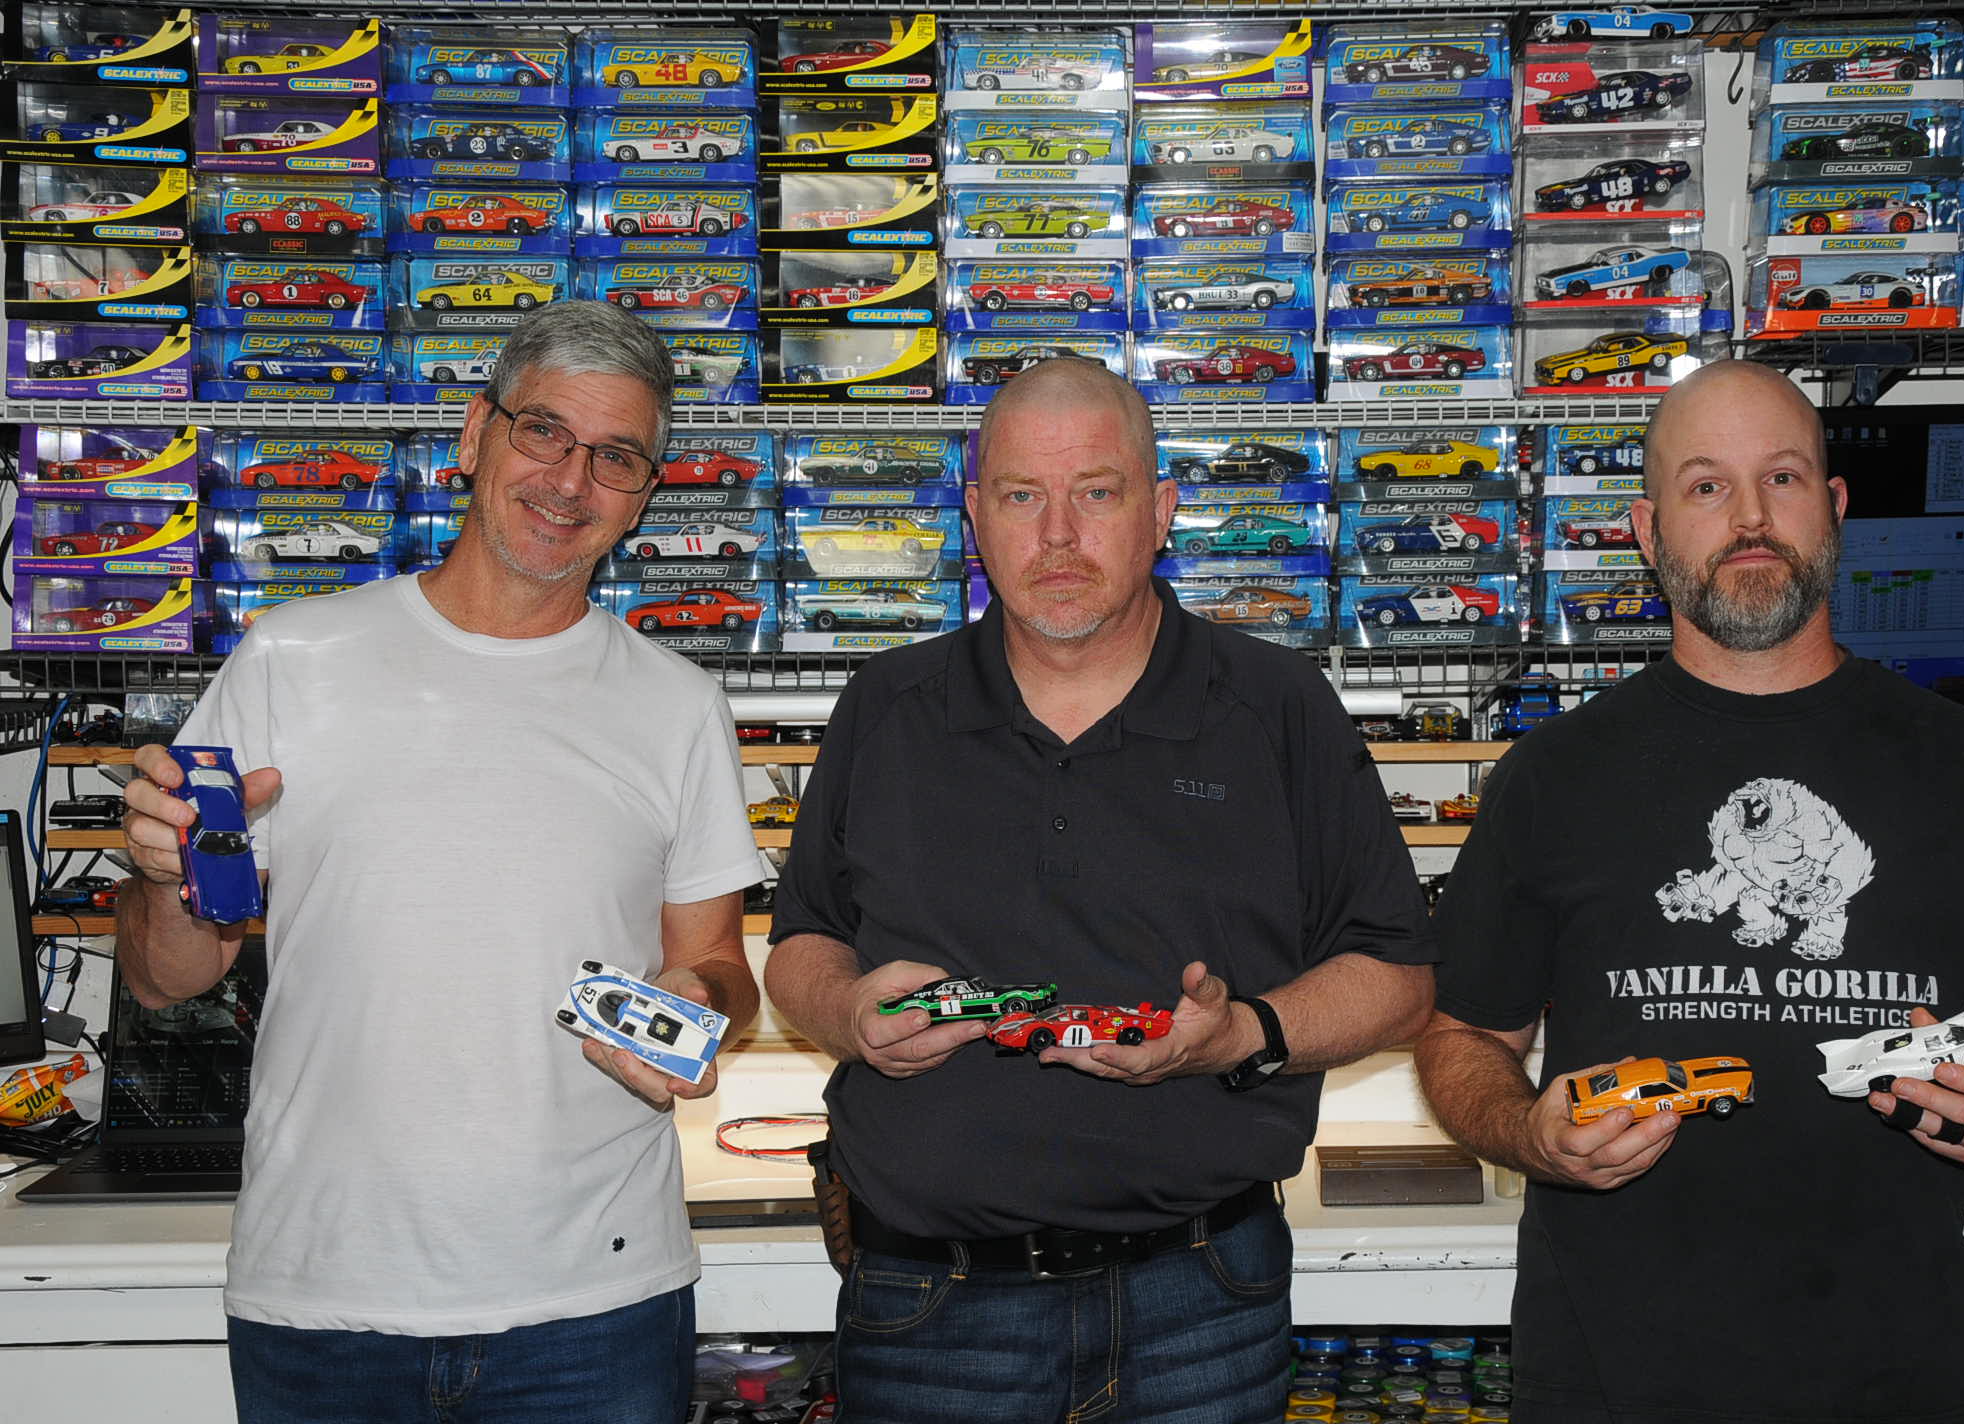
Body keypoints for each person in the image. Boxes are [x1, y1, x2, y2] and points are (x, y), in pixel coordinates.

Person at [1415, 360, 1964, 1424]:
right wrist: (1530, 1134)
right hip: (1611, 1381)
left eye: (1783, 478)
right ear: (1647, 529)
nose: (1750, 517)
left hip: (1907, 1379)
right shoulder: (1553, 773)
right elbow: (1461, 1037)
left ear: (1833, 507)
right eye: (1706, 485)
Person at [116, 300, 764, 1424]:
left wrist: (696, 1007)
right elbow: (166, 975)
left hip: (596, 1300)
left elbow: (720, 970)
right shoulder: (292, 658)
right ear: (474, 434)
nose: (570, 480)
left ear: (644, 495)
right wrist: (168, 875)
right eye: (543, 431)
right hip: (324, 1292)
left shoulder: (678, 705)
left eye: (616, 457)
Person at [765, 359, 1437, 1423]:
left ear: (1159, 512)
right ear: (974, 516)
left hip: (1203, 1301)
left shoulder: (1275, 706)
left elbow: (1396, 976)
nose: (1058, 535)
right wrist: (848, 1013)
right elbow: (800, 943)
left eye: (1097, 492)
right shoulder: (886, 706)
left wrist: (1242, 1033)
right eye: (1021, 496)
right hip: (930, 1309)